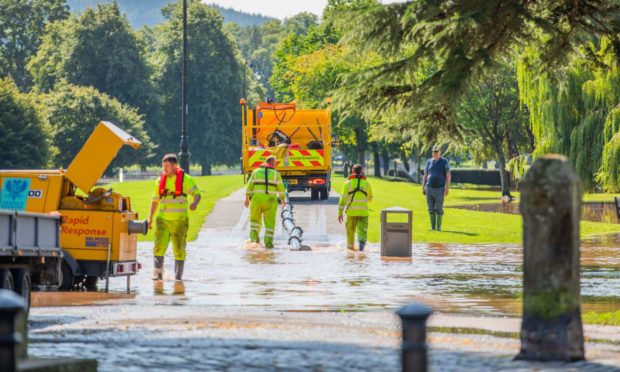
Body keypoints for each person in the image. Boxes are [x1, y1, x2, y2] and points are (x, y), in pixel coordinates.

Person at [148, 154, 201, 281]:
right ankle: (158, 276)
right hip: (162, 220)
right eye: (163, 166)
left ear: (174, 166)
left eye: (167, 166)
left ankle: (178, 278)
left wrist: (195, 203)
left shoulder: (185, 179)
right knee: (158, 248)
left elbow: (197, 194)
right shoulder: (159, 181)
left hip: (179, 222)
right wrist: (150, 218)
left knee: (179, 249)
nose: (164, 169)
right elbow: (155, 201)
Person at [245, 156, 286, 248]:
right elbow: (281, 188)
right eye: (275, 163)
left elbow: (249, 186)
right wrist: (283, 199)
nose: (276, 165)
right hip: (270, 201)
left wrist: (247, 198)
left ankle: (254, 241)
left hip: (256, 201)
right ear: (272, 163)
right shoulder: (276, 174)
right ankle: (268, 244)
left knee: (254, 221)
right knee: (270, 223)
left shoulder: (255, 172)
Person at [338, 164, 373, 251]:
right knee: (362, 232)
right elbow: (370, 198)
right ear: (361, 172)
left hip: (351, 213)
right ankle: (361, 249)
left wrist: (340, 214)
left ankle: (350, 251)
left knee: (350, 233)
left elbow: (342, 201)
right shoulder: (367, 183)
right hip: (363, 213)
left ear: (352, 171)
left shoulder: (347, 184)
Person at [422, 145, 451, 231]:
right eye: (434, 151)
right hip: (429, 188)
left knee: (439, 208)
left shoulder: (444, 161)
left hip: (440, 189)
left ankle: (438, 227)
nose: (435, 153)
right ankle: (433, 227)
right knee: (430, 208)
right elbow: (425, 175)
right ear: (432, 152)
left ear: (439, 152)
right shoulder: (428, 162)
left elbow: (448, 175)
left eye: (436, 151)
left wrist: (447, 188)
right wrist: (423, 187)